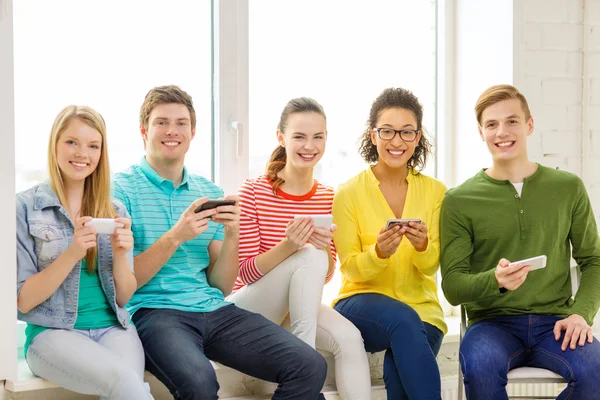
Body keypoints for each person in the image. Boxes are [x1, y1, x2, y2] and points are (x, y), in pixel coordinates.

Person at [112, 85, 327, 400]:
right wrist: (175, 236)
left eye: (181, 123)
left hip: (213, 309)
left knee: (309, 365)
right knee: (200, 383)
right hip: (154, 313)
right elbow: (122, 287)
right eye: (162, 122)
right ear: (144, 130)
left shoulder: (206, 189)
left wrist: (232, 233)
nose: (172, 131)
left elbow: (222, 285)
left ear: (193, 131)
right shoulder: (121, 190)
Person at [440, 84, 600, 400]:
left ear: (529, 124)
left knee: (596, 369)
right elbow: (453, 287)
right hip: (491, 326)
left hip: (557, 323)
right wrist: (495, 280)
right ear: (481, 132)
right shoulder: (459, 200)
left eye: (512, 121)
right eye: (492, 124)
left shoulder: (568, 188)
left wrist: (581, 313)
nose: (502, 132)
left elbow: (593, 260)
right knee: (481, 367)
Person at [227, 97, 371, 400]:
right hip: (251, 308)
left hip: (298, 306)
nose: (310, 146)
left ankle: (303, 369)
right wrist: (290, 246)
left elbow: (325, 273)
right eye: (299, 137)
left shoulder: (329, 197)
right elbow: (245, 273)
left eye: (318, 137)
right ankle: (305, 372)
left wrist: (323, 252)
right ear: (281, 138)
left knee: (350, 339)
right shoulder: (254, 191)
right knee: (307, 254)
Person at [16, 105, 152, 399]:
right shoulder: (24, 208)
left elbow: (124, 297)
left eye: (93, 146)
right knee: (127, 385)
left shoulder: (115, 210)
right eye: (72, 142)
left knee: (127, 388)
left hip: (113, 329)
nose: (82, 154)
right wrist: (72, 252)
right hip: (52, 335)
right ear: (55, 145)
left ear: (101, 154)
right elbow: (24, 301)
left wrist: (119, 254)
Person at [332, 88, 447, 400]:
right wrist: (379, 252)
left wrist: (423, 247)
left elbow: (432, 266)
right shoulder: (348, 193)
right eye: (387, 131)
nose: (397, 141)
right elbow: (352, 269)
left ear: (418, 137)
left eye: (407, 132)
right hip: (360, 303)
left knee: (399, 377)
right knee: (402, 320)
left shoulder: (436, 192)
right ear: (373, 135)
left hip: (422, 311)